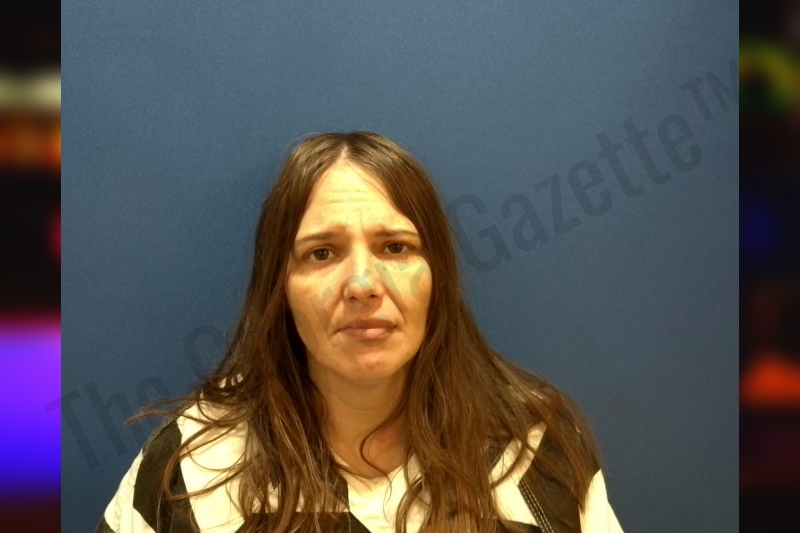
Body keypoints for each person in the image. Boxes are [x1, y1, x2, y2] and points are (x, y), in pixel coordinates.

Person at [96, 131, 624, 533]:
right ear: (280, 288)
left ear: (436, 276)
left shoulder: (537, 447)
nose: (363, 285)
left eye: (395, 247)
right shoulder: (192, 468)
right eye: (321, 253)